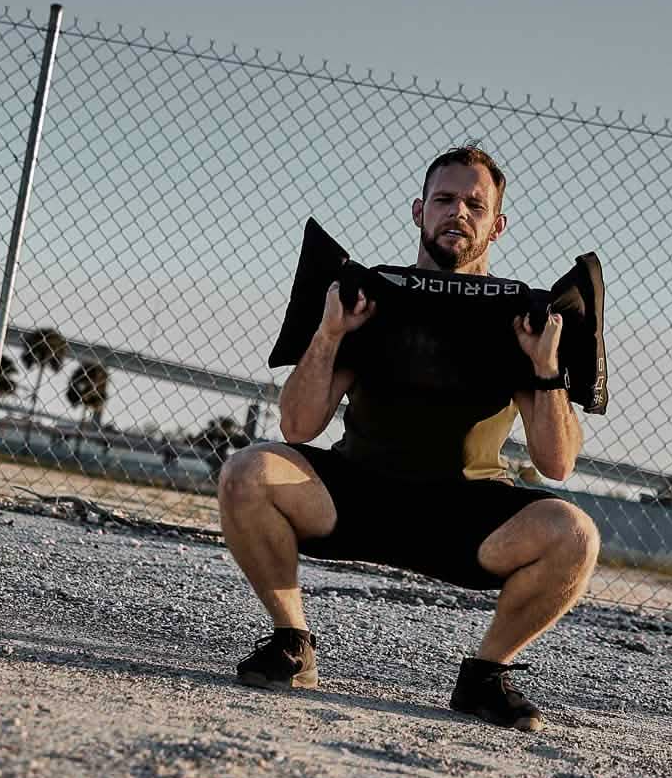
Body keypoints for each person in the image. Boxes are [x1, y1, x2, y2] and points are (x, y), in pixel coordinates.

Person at [218, 146, 600, 731]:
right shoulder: (370, 300)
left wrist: (546, 369)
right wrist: (328, 335)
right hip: (357, 496)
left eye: (476, 203)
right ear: (420, 210)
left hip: (465, 513)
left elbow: (557, 463)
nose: (459, 213)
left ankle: (485, 676)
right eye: (445, 200)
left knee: (575, 534)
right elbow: (298, 427)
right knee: (246, 471)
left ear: (496, 224)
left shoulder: (519, 319)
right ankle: (293, 641)